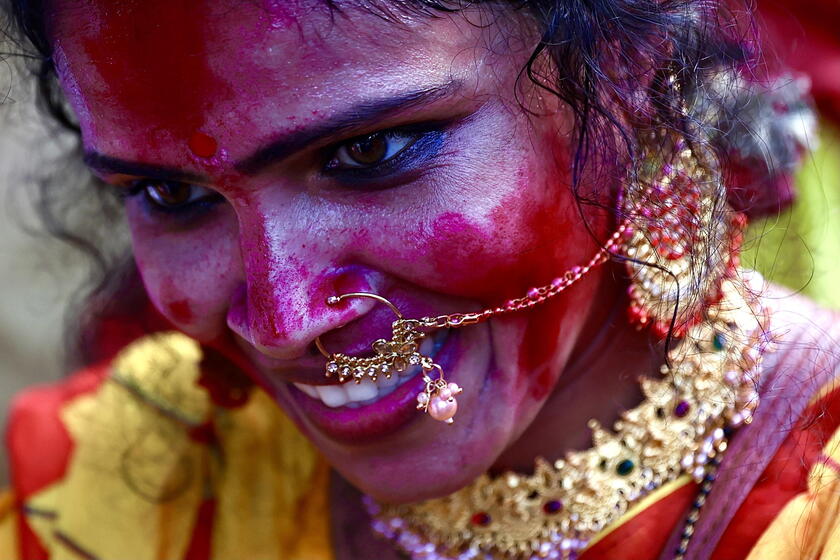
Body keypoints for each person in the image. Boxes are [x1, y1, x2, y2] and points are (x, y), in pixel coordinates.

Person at [1, 1, 838, 559]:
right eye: (172, 195)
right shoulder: (114, 489)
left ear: (626, 71)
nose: (285, 321)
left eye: (370, 152)